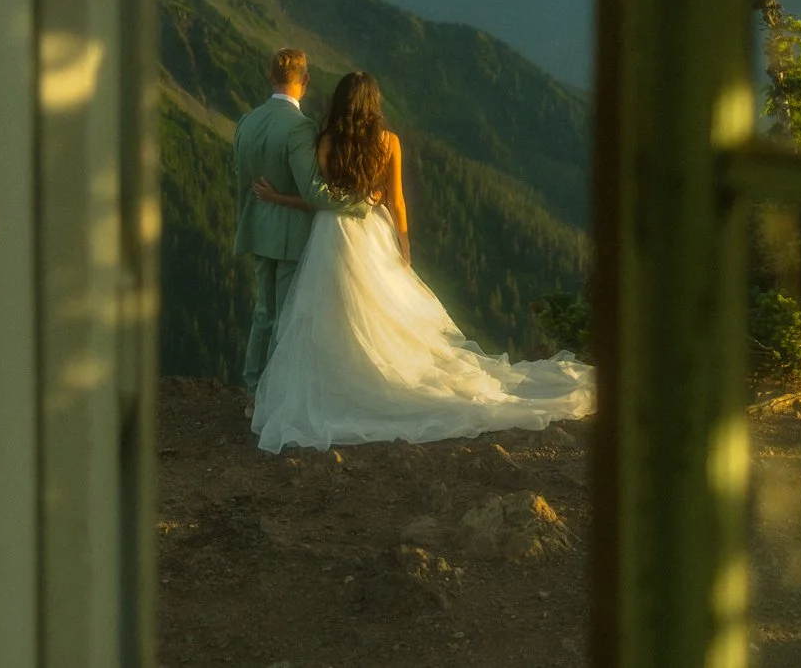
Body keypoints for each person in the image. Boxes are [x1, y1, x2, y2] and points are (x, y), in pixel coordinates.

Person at [245, 70, 595, 453]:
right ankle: (377, 369)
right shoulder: (388, 142)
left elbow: (321, 199)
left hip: (331, 232)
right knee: (381, 307)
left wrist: (279, 199)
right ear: (373, 103)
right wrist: (404, 244)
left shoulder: (326, 141)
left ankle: (341, 378)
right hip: (372, 231)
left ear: (341, 102)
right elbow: (396, 201)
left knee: (332, 311)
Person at [231, 48, 333, 410]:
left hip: (258, 228)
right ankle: (274, 398)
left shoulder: (248, 121)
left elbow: (240, 178)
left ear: (269, 77)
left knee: (263, 312)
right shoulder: (300, 127)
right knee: (285, 317)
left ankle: (253, 388)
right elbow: (312, 191)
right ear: (305, 80)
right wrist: (357, 201)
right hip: (292, 232)